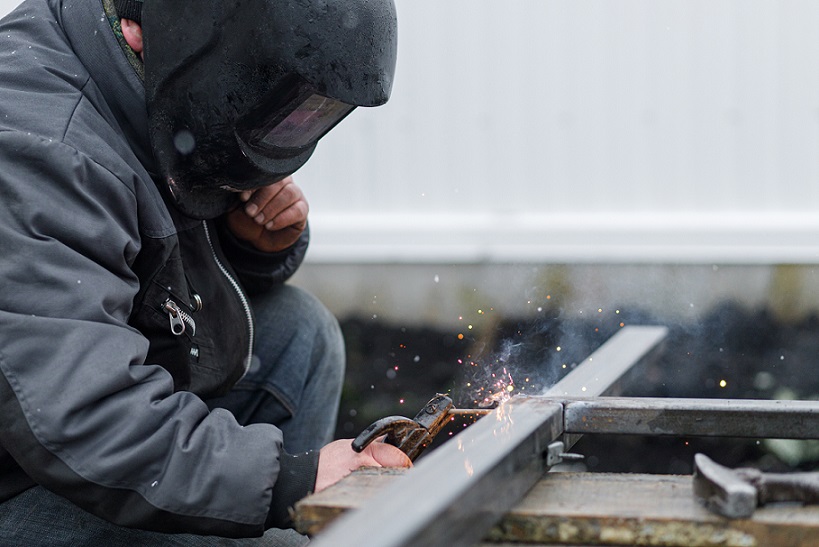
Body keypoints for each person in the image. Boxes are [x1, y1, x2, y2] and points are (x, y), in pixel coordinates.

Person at [0, 0, 410, 544]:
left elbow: (126, 269)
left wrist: (246, 245)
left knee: (298, 333)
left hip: (55, 431)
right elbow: (81, 416)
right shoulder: (41, 148)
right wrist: (296, 481)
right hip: (31, 469)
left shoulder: (135, 74)